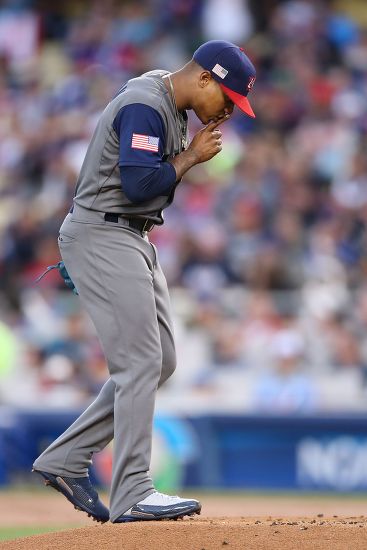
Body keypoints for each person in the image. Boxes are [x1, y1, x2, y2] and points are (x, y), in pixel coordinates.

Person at [32, 40, 256, 523]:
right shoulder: (146, 104)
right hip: (104, 231)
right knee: (139, 363)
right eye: (228, 99)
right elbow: (137, 185)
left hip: (130, 235)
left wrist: (189, 155)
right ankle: (134, 490)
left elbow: (142, 183)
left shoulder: (171, 103)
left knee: (163, 360)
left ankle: (66, 458)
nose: (230, 113)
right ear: (203, 79)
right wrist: (192, 157)